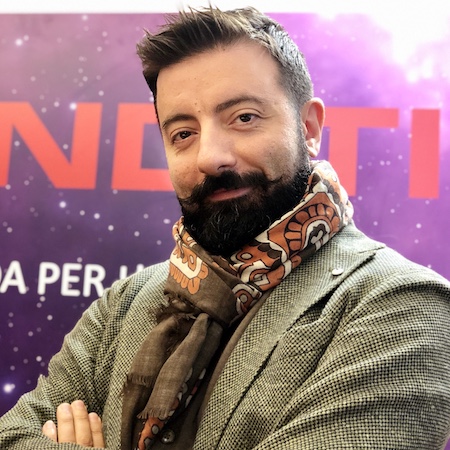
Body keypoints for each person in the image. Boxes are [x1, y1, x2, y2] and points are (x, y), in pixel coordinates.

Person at [1, 6, 450, 450]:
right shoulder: (126, 302)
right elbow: (13, 435)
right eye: (183, 133)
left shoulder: (404, 306)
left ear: (309, 128)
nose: (210, 157)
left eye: (244, 118)